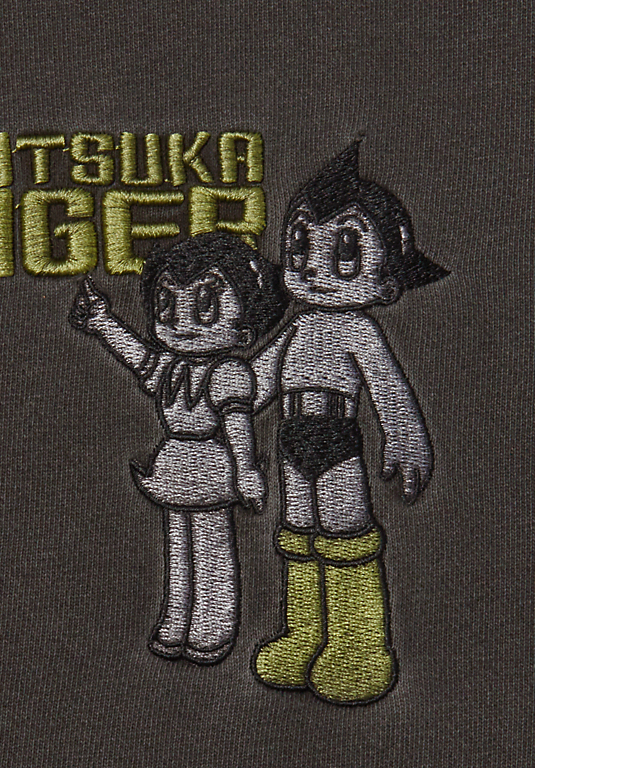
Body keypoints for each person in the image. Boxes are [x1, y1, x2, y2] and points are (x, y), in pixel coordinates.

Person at [251, 143, 449, 703]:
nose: (312, 265)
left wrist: (406, 440)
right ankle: (305, 636)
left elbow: (388, 388)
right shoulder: (297, 327)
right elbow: (260, 379)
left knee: (344, 532)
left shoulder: (358, 329)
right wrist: (229, 396)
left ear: (385, 285)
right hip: (291, 439)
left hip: (337, 440)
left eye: (342, 252)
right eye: (300, 244)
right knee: (298, 534)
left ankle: (359, 646)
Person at [69, 232, 287, 664]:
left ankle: (213, 625)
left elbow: (238, 424)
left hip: (210, 462)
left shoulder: (228, 374)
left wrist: (246, 470)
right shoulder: (171, 368)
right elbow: (137, 356)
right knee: (179, 547)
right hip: (176, 460)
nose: (181, 322)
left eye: (205, 306)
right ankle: (177, 616)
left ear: (244, 331)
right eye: (167, 304)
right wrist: (103, 322)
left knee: (210, 546)